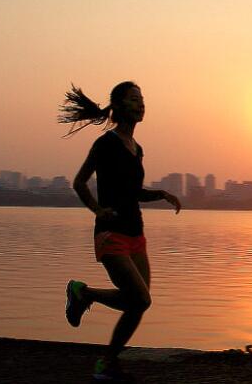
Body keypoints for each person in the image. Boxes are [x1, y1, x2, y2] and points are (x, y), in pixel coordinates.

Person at [59, 81, 181, 381]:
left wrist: (161, 194)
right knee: (140, 299)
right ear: (118, 106)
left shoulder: (136, 148)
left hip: (135, 234)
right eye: (134, 99)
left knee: (137, 303)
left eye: (142, 99)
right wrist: (97, 210)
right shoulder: (106, 143)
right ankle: (82, 292)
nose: (141, 104)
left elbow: (132, 191)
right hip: (111, 232)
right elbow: (79, 182)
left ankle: (108, 362)